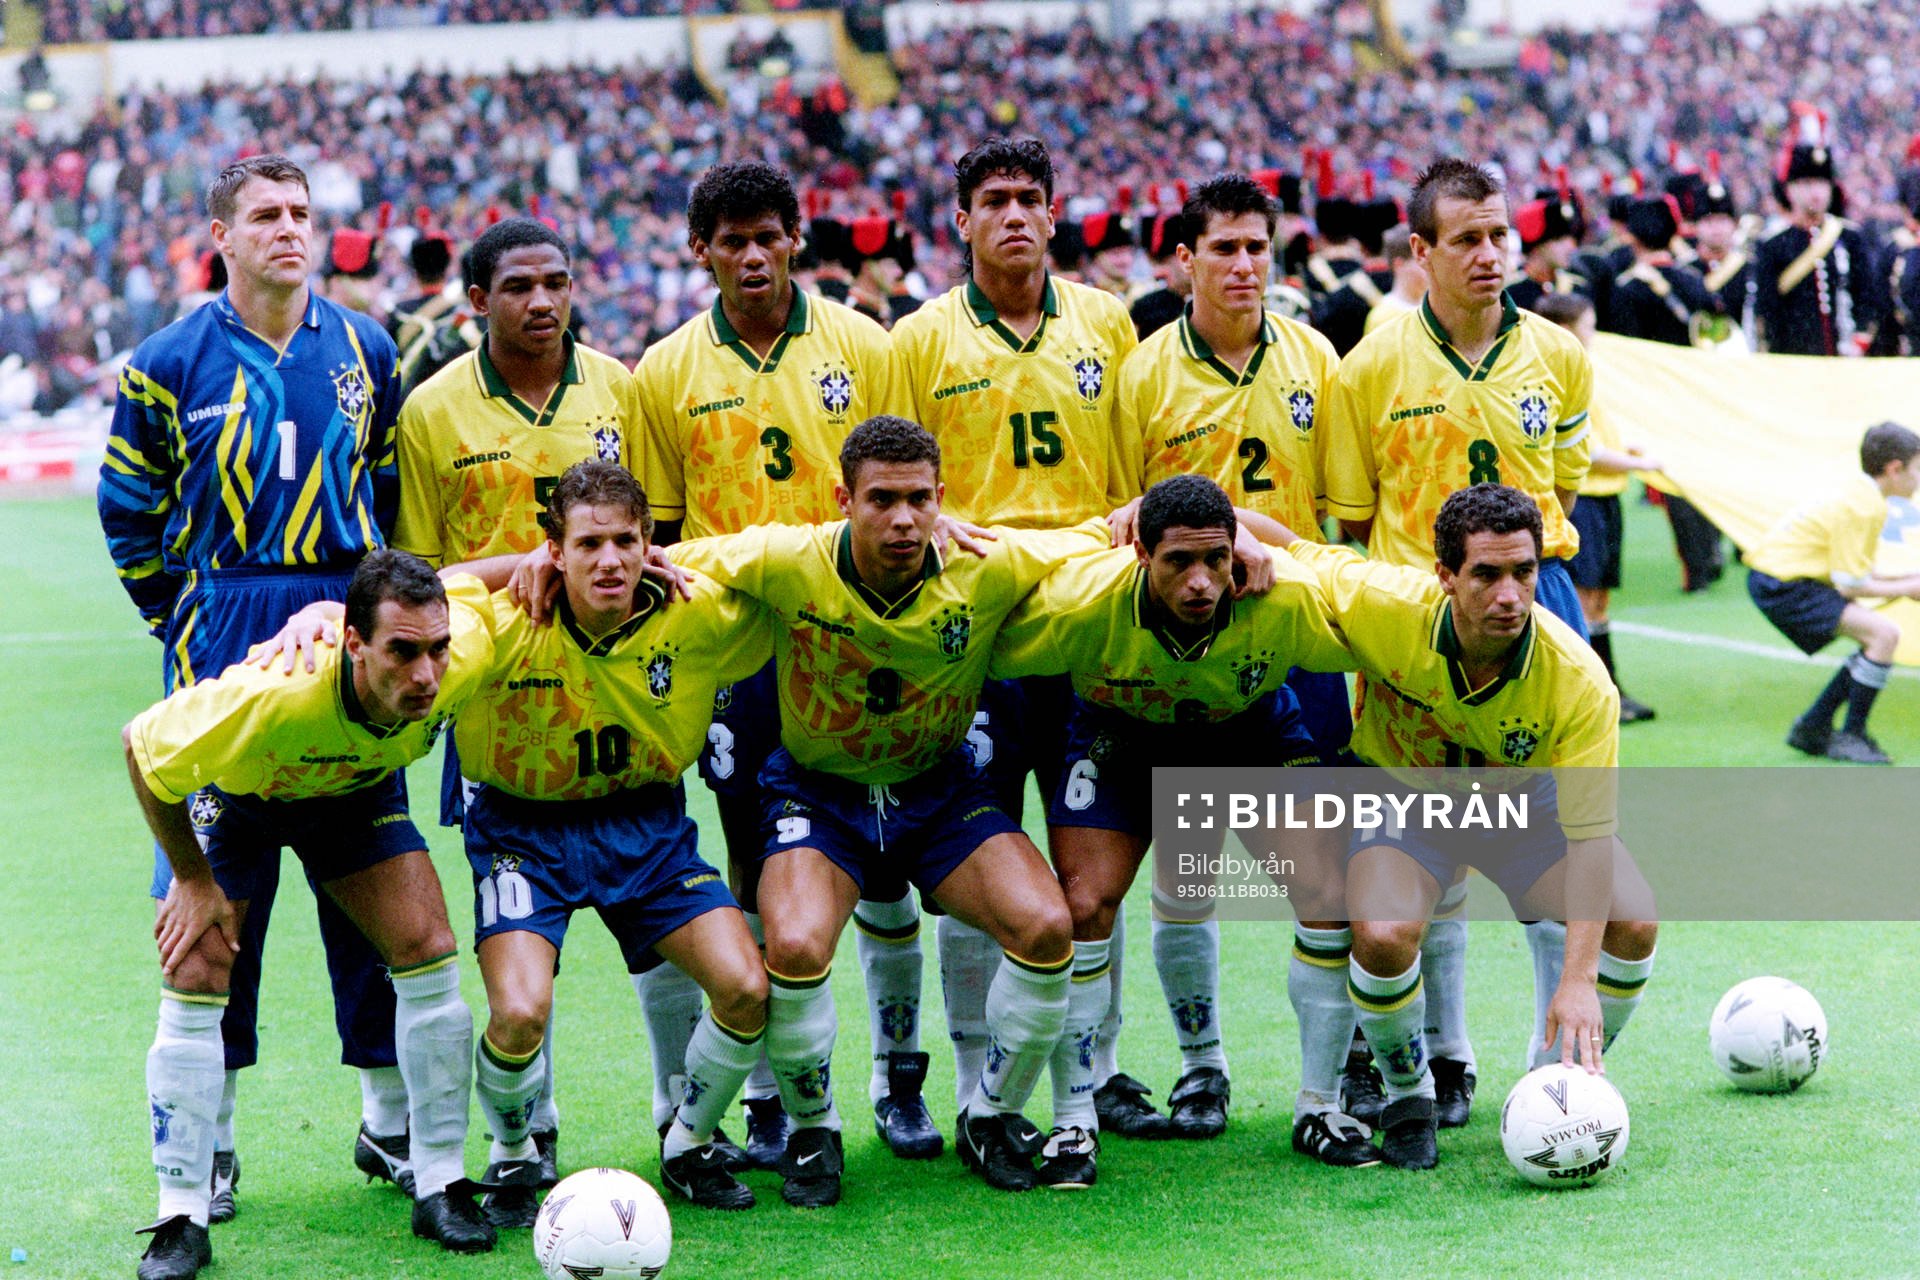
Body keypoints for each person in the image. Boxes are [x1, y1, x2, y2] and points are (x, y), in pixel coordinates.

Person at [667, 416, 1109, 1204]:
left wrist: (1222, 538)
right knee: (796, 945)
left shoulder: (988, 563)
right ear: (844, 500)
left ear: (943, 498)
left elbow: (1102, 540)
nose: (902, 520)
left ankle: (991, 1113)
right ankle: (813, 1130)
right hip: (819, 793)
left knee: (1047, 926)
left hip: (938, 793)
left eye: (918, 500)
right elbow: (661, 562)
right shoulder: (786, 558)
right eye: (881, 501)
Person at [97, 154, 414, 1252]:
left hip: (347, 638)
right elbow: (128, 511)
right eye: (266, 216)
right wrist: (182, 624)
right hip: (224, 635)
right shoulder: (164, 362)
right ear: (220, 236)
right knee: (218, 906)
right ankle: (212, 1142)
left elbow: (382, 487)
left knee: (367, 890)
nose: (290, 230)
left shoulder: (369, 347)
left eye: (302, 214)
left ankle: (387, 1121)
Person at [634, 161, 930, 1168]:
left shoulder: (865, 344)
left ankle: (902, 1074)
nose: (752, 256)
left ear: (796, 238)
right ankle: (769, 1093)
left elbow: (907, 491)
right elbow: (660, 534)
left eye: (768, 236)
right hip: (738, 656)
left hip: (859, 638)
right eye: (731, 241)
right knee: (763, 864)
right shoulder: (664, 370)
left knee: (888, 860)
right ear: (702, 251)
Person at [1251, 485, 1658, 1170]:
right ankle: (1410, 1096)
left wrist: (1579, 979)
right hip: (1406, 799)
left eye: (1524, 573)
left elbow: (1592, 842)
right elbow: (1292, 546)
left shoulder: (1582, 682)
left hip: (1522, 807)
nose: (1509, 595)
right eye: (1486, 574)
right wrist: (1220, 527)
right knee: (1381, 935)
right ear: (1445, 576)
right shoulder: (1386, 603)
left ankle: (1552, 1082)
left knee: (1634, 918)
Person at [124, 551, 502, 1278]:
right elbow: (142, 749)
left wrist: (551, 561)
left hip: (350, 795)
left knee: (428, 941)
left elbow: (489, 581)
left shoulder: (461, 651)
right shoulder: (273, 692)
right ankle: (181, 1213)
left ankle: (441, 1180)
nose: (425, 675)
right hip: (239, 799)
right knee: (198, 962)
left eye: (435, 649)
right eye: (402, 652)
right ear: (355, 644)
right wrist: (192, 878)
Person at [1321, 155, 1596, 1133]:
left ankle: (1539, 1067)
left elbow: (1558, 497)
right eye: (1468, 239)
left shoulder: (1559, 355)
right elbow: (1351, 524)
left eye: (1501, 235)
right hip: (1413, 626)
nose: (1490, 255)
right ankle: (1441, 1051)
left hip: (1533, 608)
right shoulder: (1369, 365)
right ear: (1421, 250)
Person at [993, 475, 1369, 1181]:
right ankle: (1076, 1121)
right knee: (1081, 907)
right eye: (1178, 563)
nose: (1201, 583)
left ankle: (1319, 1106)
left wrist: (1264, 540)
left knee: (1328, 892)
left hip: (1247, 729)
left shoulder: (1279, 592)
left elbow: (1348, 577)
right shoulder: (1083, 596)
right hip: (1122, 735)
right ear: (1139, 552)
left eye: (1216, 560)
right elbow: (984, 602)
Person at [391, 214, 646, 1207]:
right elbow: (420, 569)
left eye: (557, 282)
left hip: (628, 685)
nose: (542, 302)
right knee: (521, 931)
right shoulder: (432, 411)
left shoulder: (622, 386)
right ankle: (524, 1128)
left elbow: (652, 535)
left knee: (670, 909)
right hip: (501, 696)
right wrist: (520, 571)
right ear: (477, 303)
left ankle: (1136, 1067)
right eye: (519, 286)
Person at [890, 136, 1141, 1132]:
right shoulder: (917, 340)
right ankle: (973, 1075)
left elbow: (1134, 478)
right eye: (993, 200)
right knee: (973, 882)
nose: (1014, 216)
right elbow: (894, 481)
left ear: (1054, 211)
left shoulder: (1111, 326)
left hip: (1087, 637)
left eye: (1030, 199)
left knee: (1088, 882)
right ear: (959, 220)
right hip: (978, 646)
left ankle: (1098, 1070)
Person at [453, 462, 774, 1213]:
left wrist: (691, 561)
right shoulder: (502, 622)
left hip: (647, 825)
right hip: (522, 833)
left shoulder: (696, 613)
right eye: (588, 543)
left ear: (649, 543)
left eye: (626, 541)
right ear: (553, 551)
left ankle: (689, 1142)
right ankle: (512, 1153)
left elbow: (794, 569)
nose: (609, 561)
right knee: (520, 1012)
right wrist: (512, 568)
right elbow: (408, 594)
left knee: (747, 988)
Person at [1747, 422, 1920, 764]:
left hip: (1779, 578)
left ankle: (1813, 726)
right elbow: (1850, 585)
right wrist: (1909, 587)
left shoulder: (1861, 493)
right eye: (1918, 469)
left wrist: (1906, 579)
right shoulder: (1866, 506)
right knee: (1883, 635)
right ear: (1895, 469)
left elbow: (1858, 572)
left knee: (1875, 638)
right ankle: (1850, 735)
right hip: (1784, 584)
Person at [1536, 293, 1662, 723]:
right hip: (1583, 496)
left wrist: (1628, 450)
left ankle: (1609, 690)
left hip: (1605, 496)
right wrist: (1637, 463)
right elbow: (1582, 450)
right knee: (1586, 600)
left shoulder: (1582, 370)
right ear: (1568, 328)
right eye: (1588, 324)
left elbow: (1598, 435)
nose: (1593, 332)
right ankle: (1590, 697)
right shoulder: (1555, 373)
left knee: (1600, 600)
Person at [1753, 144, 1881, 356]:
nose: (1816, 192)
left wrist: (1859, 343)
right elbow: (1767, 312)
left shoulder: (1849, 238)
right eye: (1807, 183)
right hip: (1795, 360)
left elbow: (1866, 298)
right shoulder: (1772, 246)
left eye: (1822, 183)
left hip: (1845, 359)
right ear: (1789, 190)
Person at [1364, 225, 1424, 335]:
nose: (1428, 267)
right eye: (1420, 262)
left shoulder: (1433, 308)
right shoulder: (1382, 317)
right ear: (1399, 265)